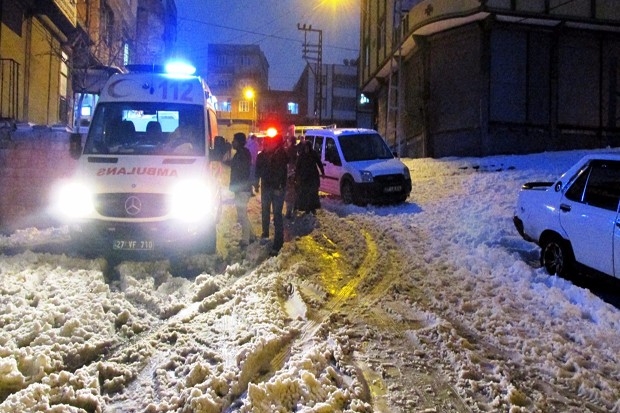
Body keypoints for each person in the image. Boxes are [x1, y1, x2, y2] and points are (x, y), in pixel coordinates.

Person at [255, 134, 289, 256]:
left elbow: (283, 172)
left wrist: (279, 186)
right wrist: (256, 183)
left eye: (268, 143)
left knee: (277, 215)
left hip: (277, 190)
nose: (266, 145)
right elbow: (257, 170)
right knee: (265, 210)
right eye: (265, 143)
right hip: (266, 187)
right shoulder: (262, 156)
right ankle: (265, 234)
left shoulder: (280, 155)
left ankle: (278, 242)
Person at [226, 132, 255, 247]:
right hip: (241, 189)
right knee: (242, 214)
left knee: (242, 215)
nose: (233, 142)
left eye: (234, 140)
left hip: (242, 189)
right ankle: (251, 236)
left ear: (239, 142)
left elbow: (241, 171)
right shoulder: (241, 154)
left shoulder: (242, 154)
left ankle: (245, 240)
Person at [295, 140, 324, 215]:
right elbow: (298, 166)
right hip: (304, 178)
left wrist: (323, 172)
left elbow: (319, 163)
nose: (307, 149)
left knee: (313, 193)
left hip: (313, 177)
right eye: (305, 148)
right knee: (305, 193)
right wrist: (297, 176)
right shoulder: (302, 155)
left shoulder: (313, 154)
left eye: (308, 148)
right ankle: (306, 208)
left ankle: (312, 208)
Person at [284, 134, 298, 219]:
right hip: (295, 172)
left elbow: (287, 159)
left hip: (290, 171)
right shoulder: (297, 149)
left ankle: (289, 211)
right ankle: (294, 208)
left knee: (289, 192)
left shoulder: (289, 149)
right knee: (294, 191)